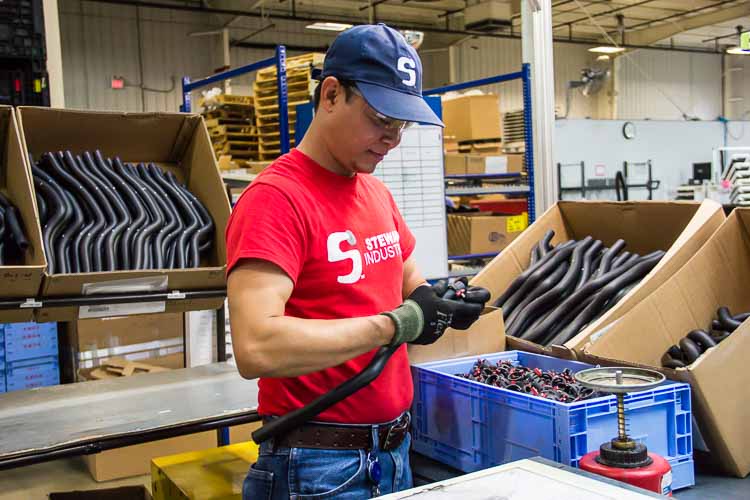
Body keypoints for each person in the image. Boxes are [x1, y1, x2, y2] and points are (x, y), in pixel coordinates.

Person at [226, 23, 490, 499]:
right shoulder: (276, 200)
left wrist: (437, 301)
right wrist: (398, 324)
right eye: (379, 118)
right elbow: (256, 345)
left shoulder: (374, 191)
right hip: (318, 468)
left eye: (401, 124)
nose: (392, 138)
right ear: (331, 95)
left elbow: (403, 271)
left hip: (391, 453)